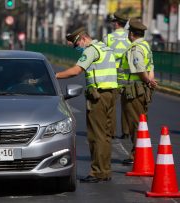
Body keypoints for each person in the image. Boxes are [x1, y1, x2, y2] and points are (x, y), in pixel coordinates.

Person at [56, 27, 118, 183]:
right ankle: (105, 170)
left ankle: (97, 172)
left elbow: (76, 71)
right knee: (105, 135)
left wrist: (54, 75)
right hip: (110, 94)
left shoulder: (90, 50)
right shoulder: (104, 47)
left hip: (98, 96)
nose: (78, 49)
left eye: (77, 45)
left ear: (83, 39)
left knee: (95, 135)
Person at [120, 19, 157, 165]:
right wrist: (150, 81)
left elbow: (140, 68)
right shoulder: (146, 45)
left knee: (135, 123)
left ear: (131, 34)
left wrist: (147, 81)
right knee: (141, 121)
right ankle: (140, 153)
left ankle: (136, 155)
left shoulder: (135, 48)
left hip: (135, 89)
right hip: (142, 87)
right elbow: (151, 66)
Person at [103, 12, 131, 139]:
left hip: (112, 74)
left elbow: (104, 56)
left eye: (114, 22)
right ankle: (126, 132)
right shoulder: (131, 37)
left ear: (116, 23)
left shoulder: (108, 37)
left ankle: (112, 132)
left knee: (111, 104)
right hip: (127, 74)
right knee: (127, 104)